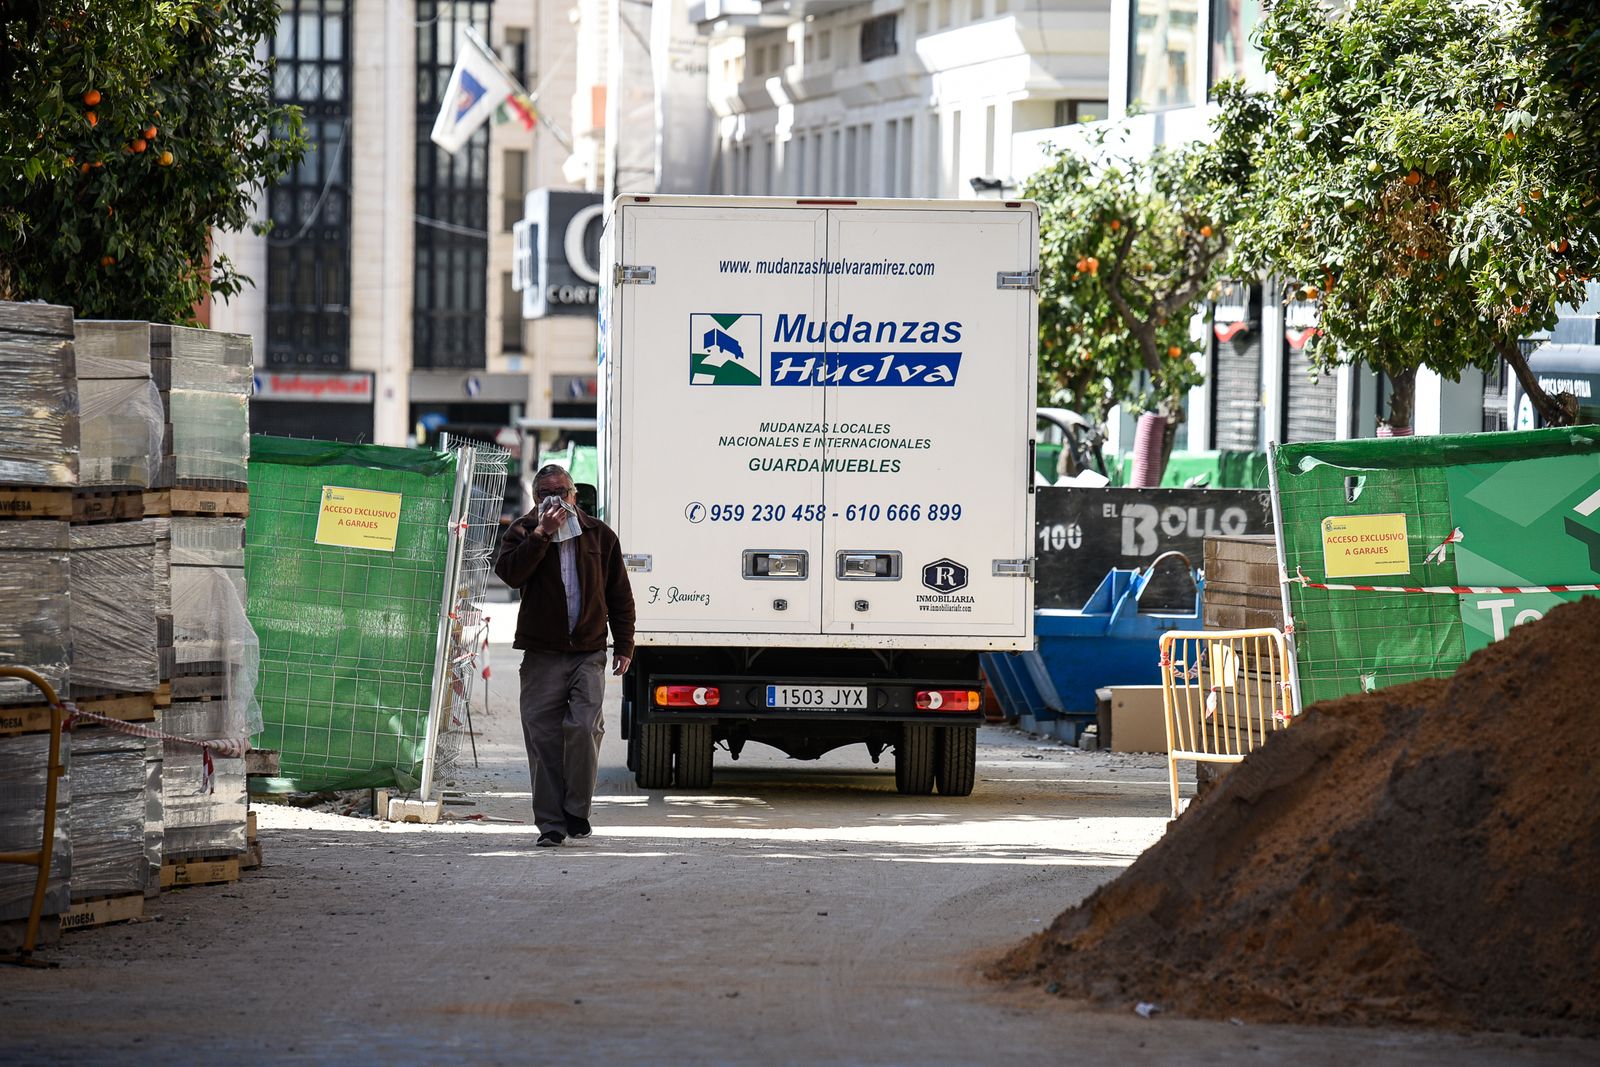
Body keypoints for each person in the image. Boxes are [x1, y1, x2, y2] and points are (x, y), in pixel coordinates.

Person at [494, 464, 635, 847]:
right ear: (537, 500)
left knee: (584, 727)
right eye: (546, 495)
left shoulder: (599, 534)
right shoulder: (523, 531)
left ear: (574, 495)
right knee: (542, 738)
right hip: (542, 654)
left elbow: (620, 594)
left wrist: (624, 644)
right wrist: (542, 534)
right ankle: (552, 825)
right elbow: (510, 574)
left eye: (561, 492)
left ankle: (576, 808)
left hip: (587, 652)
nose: (555, 500)